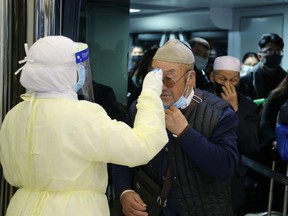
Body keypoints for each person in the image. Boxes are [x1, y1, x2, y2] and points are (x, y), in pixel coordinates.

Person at [0, 35, 169, 216]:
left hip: (22, 207)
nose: (81, 72)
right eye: (76, 68)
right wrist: (150, 94)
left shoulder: (15, 114)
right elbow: (140, 147)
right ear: (64, 72)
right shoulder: (81, 115)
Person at [112, 39, 239, 216]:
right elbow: (122, 155)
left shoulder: (220, 113)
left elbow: (226, 168)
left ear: (190, 78)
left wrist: (185, 133)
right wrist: (124, 191)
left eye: (169, 79)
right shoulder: (141, 107)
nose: (161, 87)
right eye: (155, 78)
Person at [207, 56, 259, 215]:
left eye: (233, 80)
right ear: (212, 77)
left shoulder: (248, 107)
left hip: (231, 179)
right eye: (222, 78)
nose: (228, 84)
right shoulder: (199, 99)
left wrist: (234, 110)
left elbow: (250, 145)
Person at [238, 33, 286, 101]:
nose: (274, 54)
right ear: (259, 56)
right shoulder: (247, 80)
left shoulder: (285, 79)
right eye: (269, 51)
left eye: (278, 51)